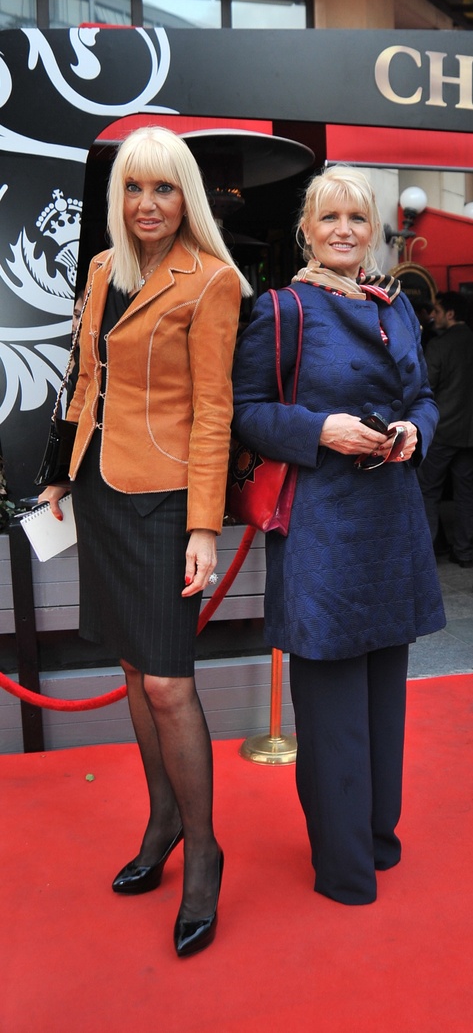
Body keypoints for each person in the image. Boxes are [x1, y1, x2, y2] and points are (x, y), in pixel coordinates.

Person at [39, 126, 251, 957]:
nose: (147, 204)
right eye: (133, 188)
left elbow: (214, 411)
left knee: (167, 681)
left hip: (165, 500)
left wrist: (204, 524)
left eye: (163, 188)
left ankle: (204, 853)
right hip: (101, 488)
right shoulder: (103, 269)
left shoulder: (214, 281)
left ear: (185, 195)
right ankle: (162, 821)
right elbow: (83, 376)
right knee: (132, 668)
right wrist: (59, 471)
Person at [232, 165, 445, 906]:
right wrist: (320, 429)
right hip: (321, 527)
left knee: (385, 699)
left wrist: (415, 430)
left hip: (390, 518)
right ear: (307, 231)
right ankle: (344, 864)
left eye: (357, 218)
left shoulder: (397, 307)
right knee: (329, 706)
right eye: (329, 217)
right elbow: (245, 409)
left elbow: (424, 396)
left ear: (374, 231)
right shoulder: (282, 308)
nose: (344, 230)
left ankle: (379, 838)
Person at [418, 291, 473, 567]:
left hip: (442, 430)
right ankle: (464, 552)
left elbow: (425, 388)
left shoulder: (438, 346)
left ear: (450, 314)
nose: (433, 315)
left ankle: (427, 554)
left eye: (437, 311)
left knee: (429, 491)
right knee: (466, 490)